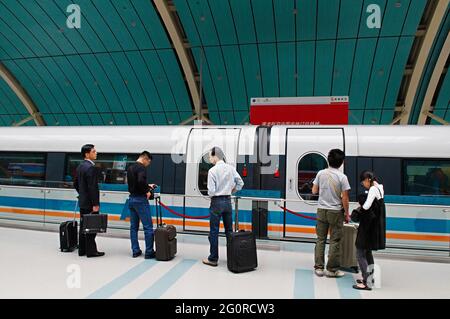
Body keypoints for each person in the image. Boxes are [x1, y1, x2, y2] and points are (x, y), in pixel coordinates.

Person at [312, 149, 351, 278]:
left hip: (321, 210)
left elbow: (314, 191)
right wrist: (347, 214)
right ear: (341, 162)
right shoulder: (342, 177)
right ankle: (331, 269)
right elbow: (345, 198)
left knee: (320, 239)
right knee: (335, 240)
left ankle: (319, 268)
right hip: (335, 212)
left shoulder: (320, 173)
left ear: (328, 160)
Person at [202, 147, 244, 267]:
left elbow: (211, 191)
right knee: (229, 231)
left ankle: (213, 259)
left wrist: (216, 193)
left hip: (216, 202)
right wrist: (232, 190)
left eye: (210, 156)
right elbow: (241, 183)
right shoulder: (231, 168)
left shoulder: (212, 171)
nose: (209, 159)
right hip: (228, 201)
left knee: (214, 231)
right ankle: (232, 257)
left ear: (215, 156)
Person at [353, 171, 386, 291]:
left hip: (368, 226)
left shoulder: (372, 189)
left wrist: (359, 206)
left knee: (360, 252)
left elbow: (366, 206)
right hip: (375, 225)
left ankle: (367, 282)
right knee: (367, 252)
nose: (363, 185)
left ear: (368, 179)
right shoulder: (380, 188)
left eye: (363, 182)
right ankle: (370, 278)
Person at [74, 144, 104, 258]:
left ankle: (82, 250)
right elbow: (92, 187)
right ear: (87, 154)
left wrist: (82, 194)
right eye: (94, 151)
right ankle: (91, 251)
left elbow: (75, 184)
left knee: (83, 225)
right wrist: (95, 204)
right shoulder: (90, 167)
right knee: (92, 226)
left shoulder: (80, 166)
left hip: (83, 202)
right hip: (90, 204)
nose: (96, 153)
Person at [127, 151, 157, 259]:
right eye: (148, 162)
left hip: (131, 199)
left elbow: (136, 182)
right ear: (145, 159)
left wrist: (147, 185)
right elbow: (140, 180)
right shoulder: (141, 167)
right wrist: (147, 191)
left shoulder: (130, 167)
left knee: (133, 227)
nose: (148, 165)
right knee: (148, 227)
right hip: (140, 200)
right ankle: (149, 252)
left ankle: (135, 251)